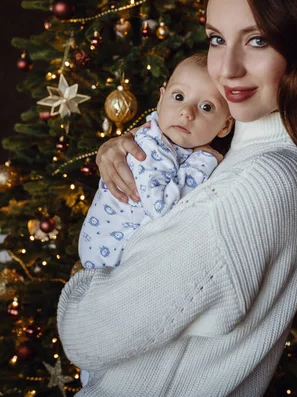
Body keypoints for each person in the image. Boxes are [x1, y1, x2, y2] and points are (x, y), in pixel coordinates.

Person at [57, 0, 297, 397]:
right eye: (216, 39)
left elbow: (85, 335)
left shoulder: (250, 190)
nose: (227, 69)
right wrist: (127, 149)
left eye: (257, 40)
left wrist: (84, 279)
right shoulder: (281, 157)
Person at [79, 52, 233, 271]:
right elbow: (162, 208)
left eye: (206, 107)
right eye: (178, 97)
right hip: (112, 253)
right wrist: (203, 160)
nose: (187, 112)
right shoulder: (149, 148)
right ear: (161, 100)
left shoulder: (180, 147)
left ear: (225, 126)